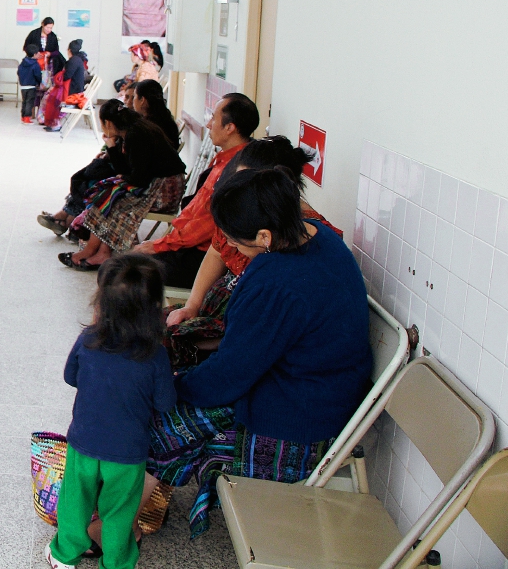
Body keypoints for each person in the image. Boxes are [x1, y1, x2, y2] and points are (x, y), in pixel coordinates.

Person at [139, 167, 372, 538]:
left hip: (297, 425)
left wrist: (173, 388)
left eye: (234, 240)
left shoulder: (277, 281)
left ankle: (116, 528)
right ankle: (132, 516)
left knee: (154, 423)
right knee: (168, 412)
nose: (229, 247)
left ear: (264, 235)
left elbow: (229, 377)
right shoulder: (320, 238)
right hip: (322, 396)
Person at [164, 136, 341, 368]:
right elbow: (216, 252)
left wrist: (200, 343)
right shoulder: (242, 212)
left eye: (247, 183)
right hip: (225, 314)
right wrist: (192, 306)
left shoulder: (307, 244)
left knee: (150, 350)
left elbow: (261, 340)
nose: (239, 190)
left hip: (244, 335)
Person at [45, 255, 175, 569]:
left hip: (84, 443)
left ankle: (64, 554)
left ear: (101, 303)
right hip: (128, 452)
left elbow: (70, 377)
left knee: (75, 501)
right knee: (119, 510)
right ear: (155, 308)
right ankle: (117, 562)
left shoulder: (87, 340)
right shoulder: (155, 355)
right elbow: (165, 403)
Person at [128, 93, 258, 287]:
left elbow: (205, 228)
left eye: (214, 118)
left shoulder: (237, 169)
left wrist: (157, 245)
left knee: (123, 272)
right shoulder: (224, 160)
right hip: (188, 247)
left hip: (203, 257)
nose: (208, 124)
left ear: (230, 128)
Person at [59, 117, 187, 269]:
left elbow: (137, 177)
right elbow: (131, 172)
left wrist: (120, 172)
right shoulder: (136, 131)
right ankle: (101, 252)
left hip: (163, 192)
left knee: (112, 201)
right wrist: (112, 148)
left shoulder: (136, 135)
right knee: (106, 196)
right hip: (158, 185)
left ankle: (92, 251)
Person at [38, 100, 139, 235]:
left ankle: (67, 221)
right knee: (86, 177)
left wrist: (111, 147)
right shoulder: (129, 131)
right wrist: (108, 151)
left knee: (89, 182)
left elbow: (124, 168)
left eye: (132, 97)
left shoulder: (131, 135)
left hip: (131, 180)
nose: (128, 101)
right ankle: (65, 218)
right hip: (126, 174)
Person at [42, 39, 88, 132]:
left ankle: (55, 124)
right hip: (76, 90)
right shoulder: (78, 59)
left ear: (69, 50)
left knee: (51, 97)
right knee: (50, 95)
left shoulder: (74, 60)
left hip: (73, 94)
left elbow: (67, 76)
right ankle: (53, 122)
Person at [131, 80, 178, 148]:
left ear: (142, 100)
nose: (133, 101)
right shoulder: (165, 117)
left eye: (134, 96)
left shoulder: (149, 127)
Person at [18, 42, 42, 123]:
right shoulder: (35, 64)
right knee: (30, 102)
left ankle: (23, 116)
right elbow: (37, 75)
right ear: (35, 54)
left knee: (24, 101)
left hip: (23, 86)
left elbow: (18, 72)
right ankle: (27, 118)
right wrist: (39, 82)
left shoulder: (22, 62)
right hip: (31, 86)